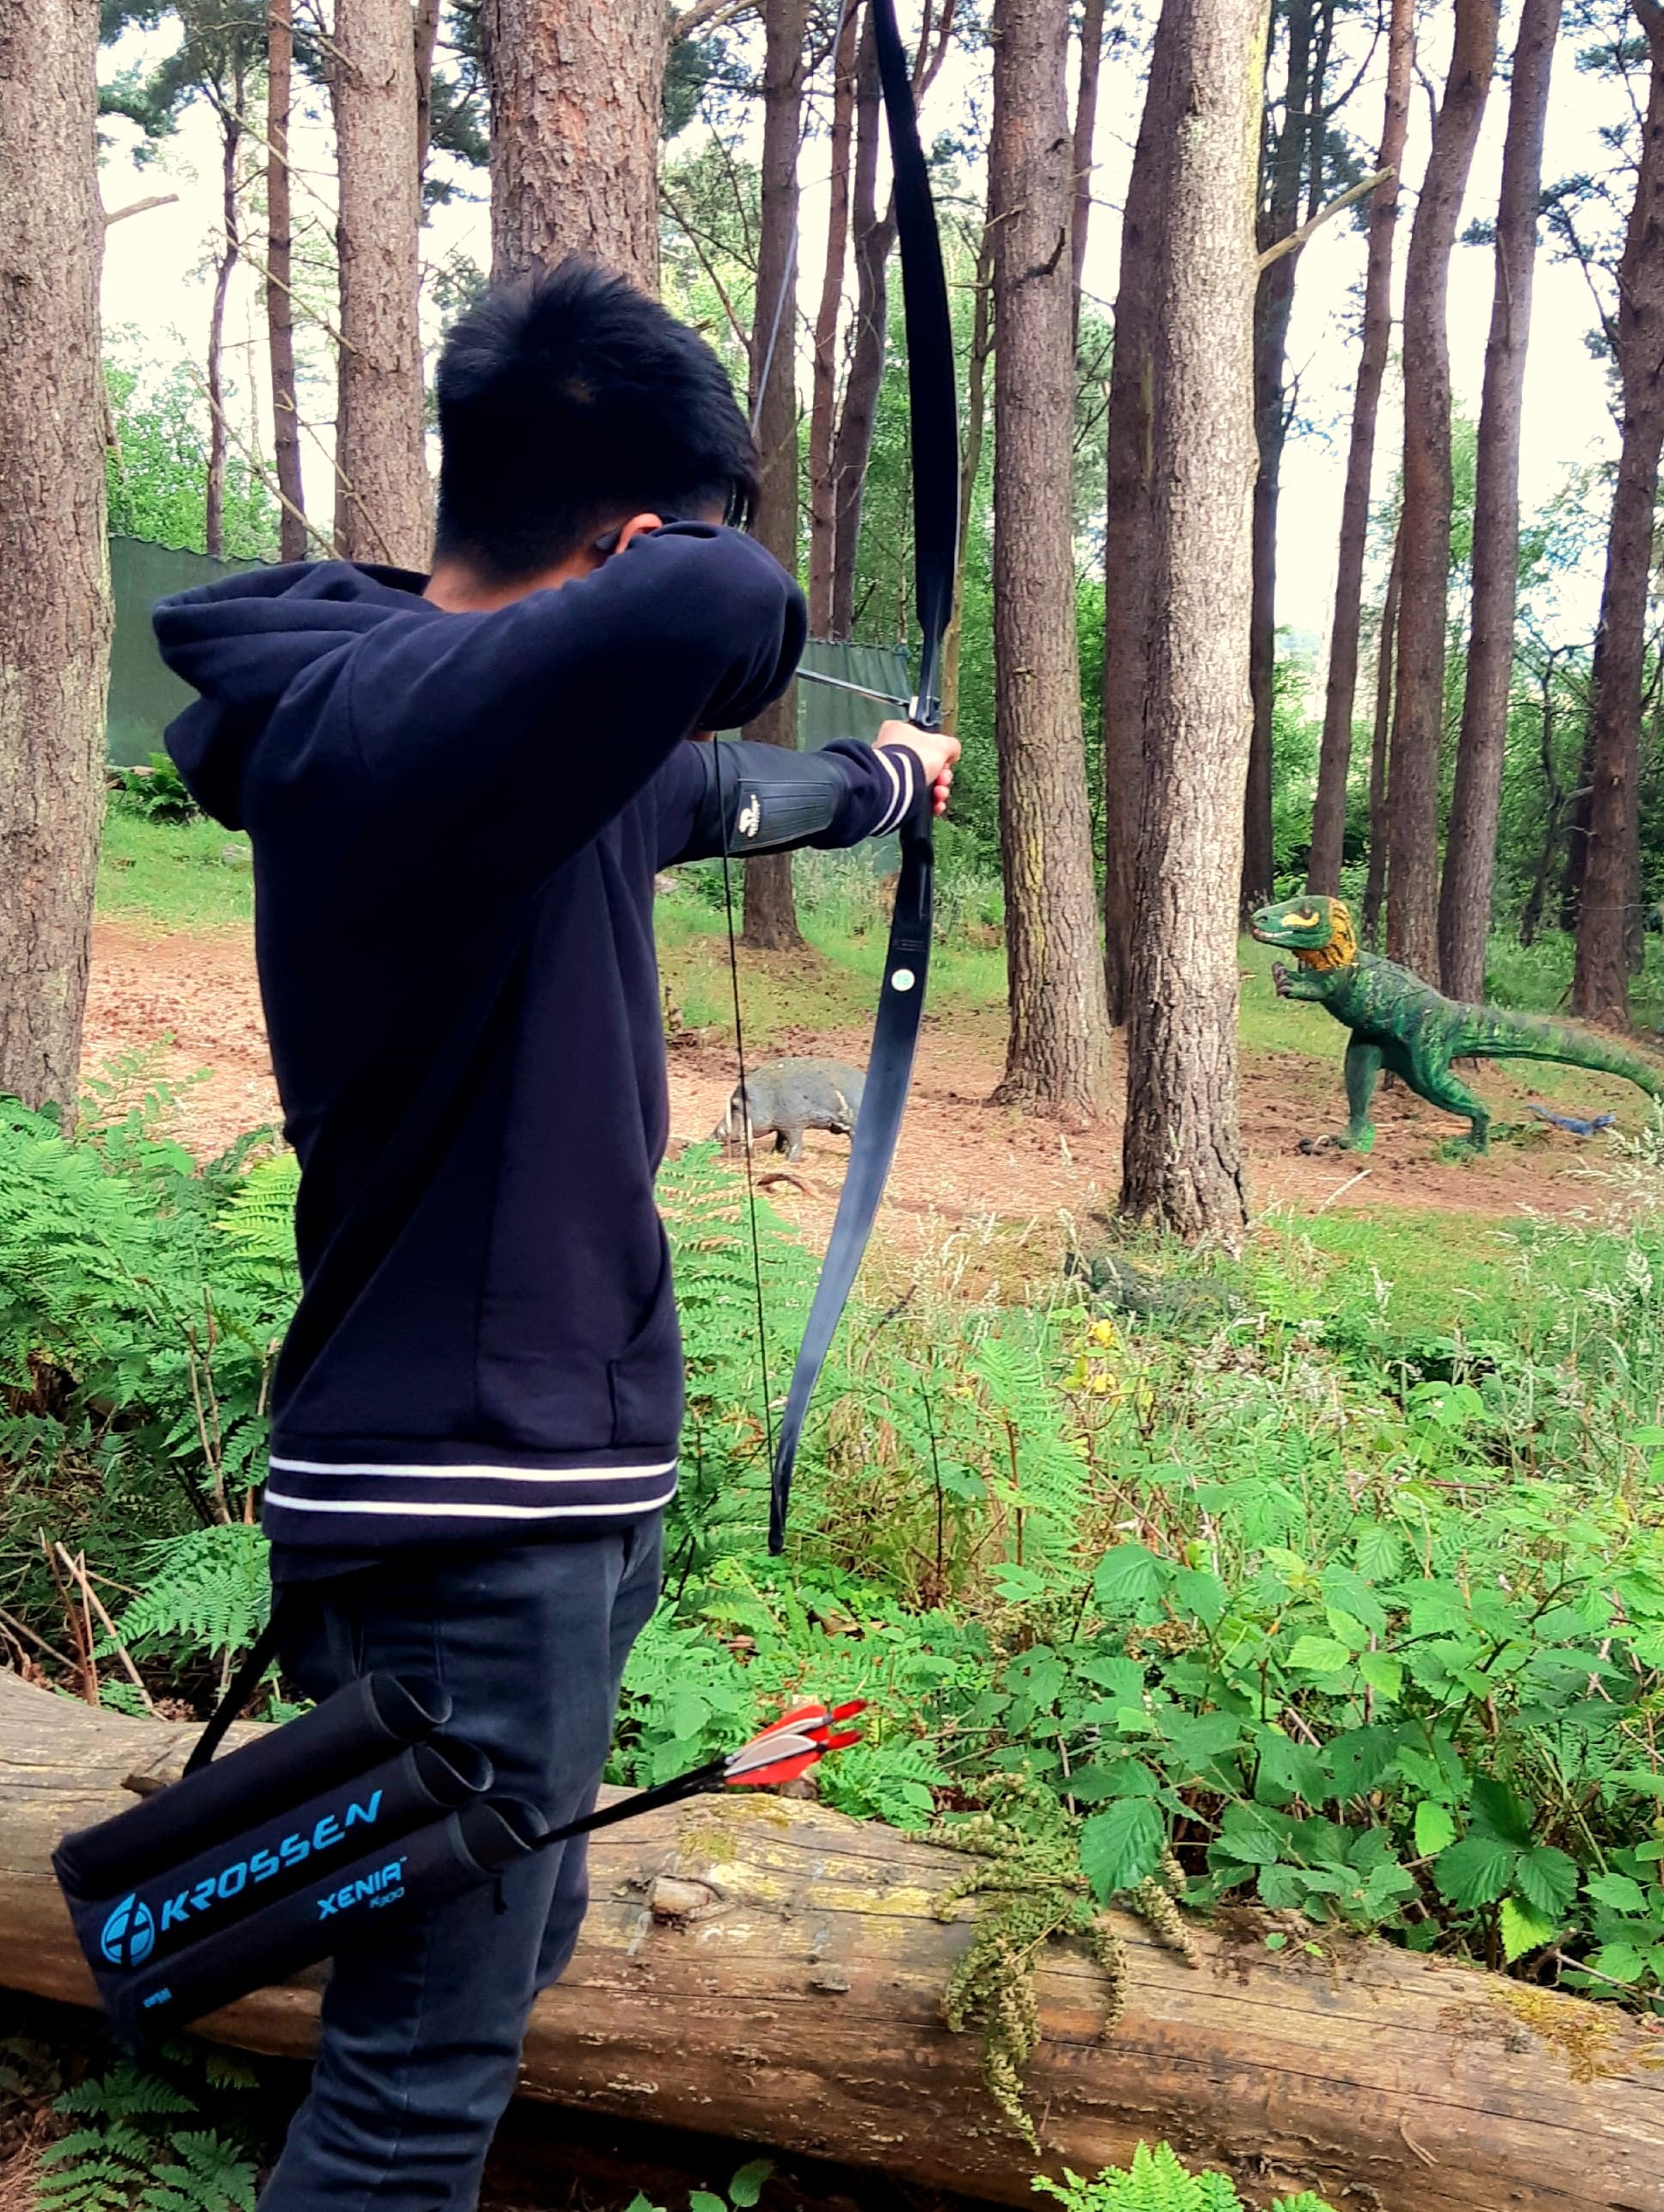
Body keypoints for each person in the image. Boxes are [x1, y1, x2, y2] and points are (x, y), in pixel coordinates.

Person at [151, 258, 958, 2212]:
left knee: (494, 1967)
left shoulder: (501, 744)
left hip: (524, 1481)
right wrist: (699, 563)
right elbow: (705, 614)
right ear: (623, 533)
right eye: (684, 530)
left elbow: (704, 789)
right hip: (464, 1498)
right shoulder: (392, 730)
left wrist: (873, 784)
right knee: (418, 2082)